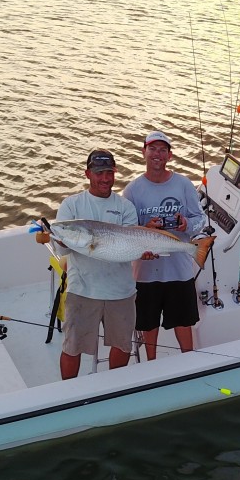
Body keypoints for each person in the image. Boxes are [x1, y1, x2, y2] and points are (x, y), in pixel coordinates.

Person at [54, 149, 140, 380]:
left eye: (109, 172)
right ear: (88, 174)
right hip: (82, 290)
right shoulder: (71, 206)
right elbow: (61, 249)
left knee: (123, 345)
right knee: (73, 347)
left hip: (120, 291)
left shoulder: (125, 207)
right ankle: (68, 392)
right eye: (99, 173)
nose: (105, 178)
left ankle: (113, 387)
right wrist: (62, 239)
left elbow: (130, 247)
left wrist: (145, 252)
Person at [123, 130, 207, 359]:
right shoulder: (132, 190)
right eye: (152, 148)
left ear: (170, 156)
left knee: (183, 320)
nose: (157, 154)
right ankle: (152, 364)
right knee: (148, 323)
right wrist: (145, 226)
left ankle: (189, 361)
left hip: (179, 269)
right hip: (145, 271)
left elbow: (201, 219)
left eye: (162, 150)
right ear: (144, 152)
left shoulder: (183, 184)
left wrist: (185, 224)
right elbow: (126, 230)